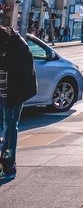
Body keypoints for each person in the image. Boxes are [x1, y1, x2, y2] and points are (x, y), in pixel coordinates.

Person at [0, 26, 38, 180]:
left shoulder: (18, 47)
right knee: (7, 128)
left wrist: (18, 96)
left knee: (9, 129)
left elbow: (26, 75)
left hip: (12, 95)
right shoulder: (8, 44)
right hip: (5, 93)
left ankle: (8, 164)